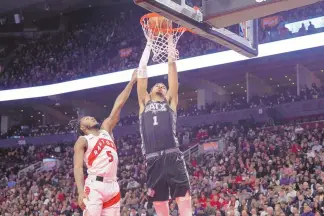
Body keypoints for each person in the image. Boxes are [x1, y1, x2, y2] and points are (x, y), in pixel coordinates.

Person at [137, 36, 192, 216]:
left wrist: (170, 41)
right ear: (150, 92)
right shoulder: (143, 103)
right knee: (159, 202)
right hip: (152, 158)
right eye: (157, 85)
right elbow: (142, 70)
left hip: (172, 154)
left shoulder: (170, 101)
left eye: (163, 85)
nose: (160, 86)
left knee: (183, 197)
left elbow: (171, 68)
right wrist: (149, 44)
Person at [73, 70, 137, 216]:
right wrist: (80, 191)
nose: (91, 117)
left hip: (113, 184)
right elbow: (77, 167)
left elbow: (118, 106)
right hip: (95, 185)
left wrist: (132, 82)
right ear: (83, 127)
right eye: (87, 118)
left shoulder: (106, 129)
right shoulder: (82, 140)